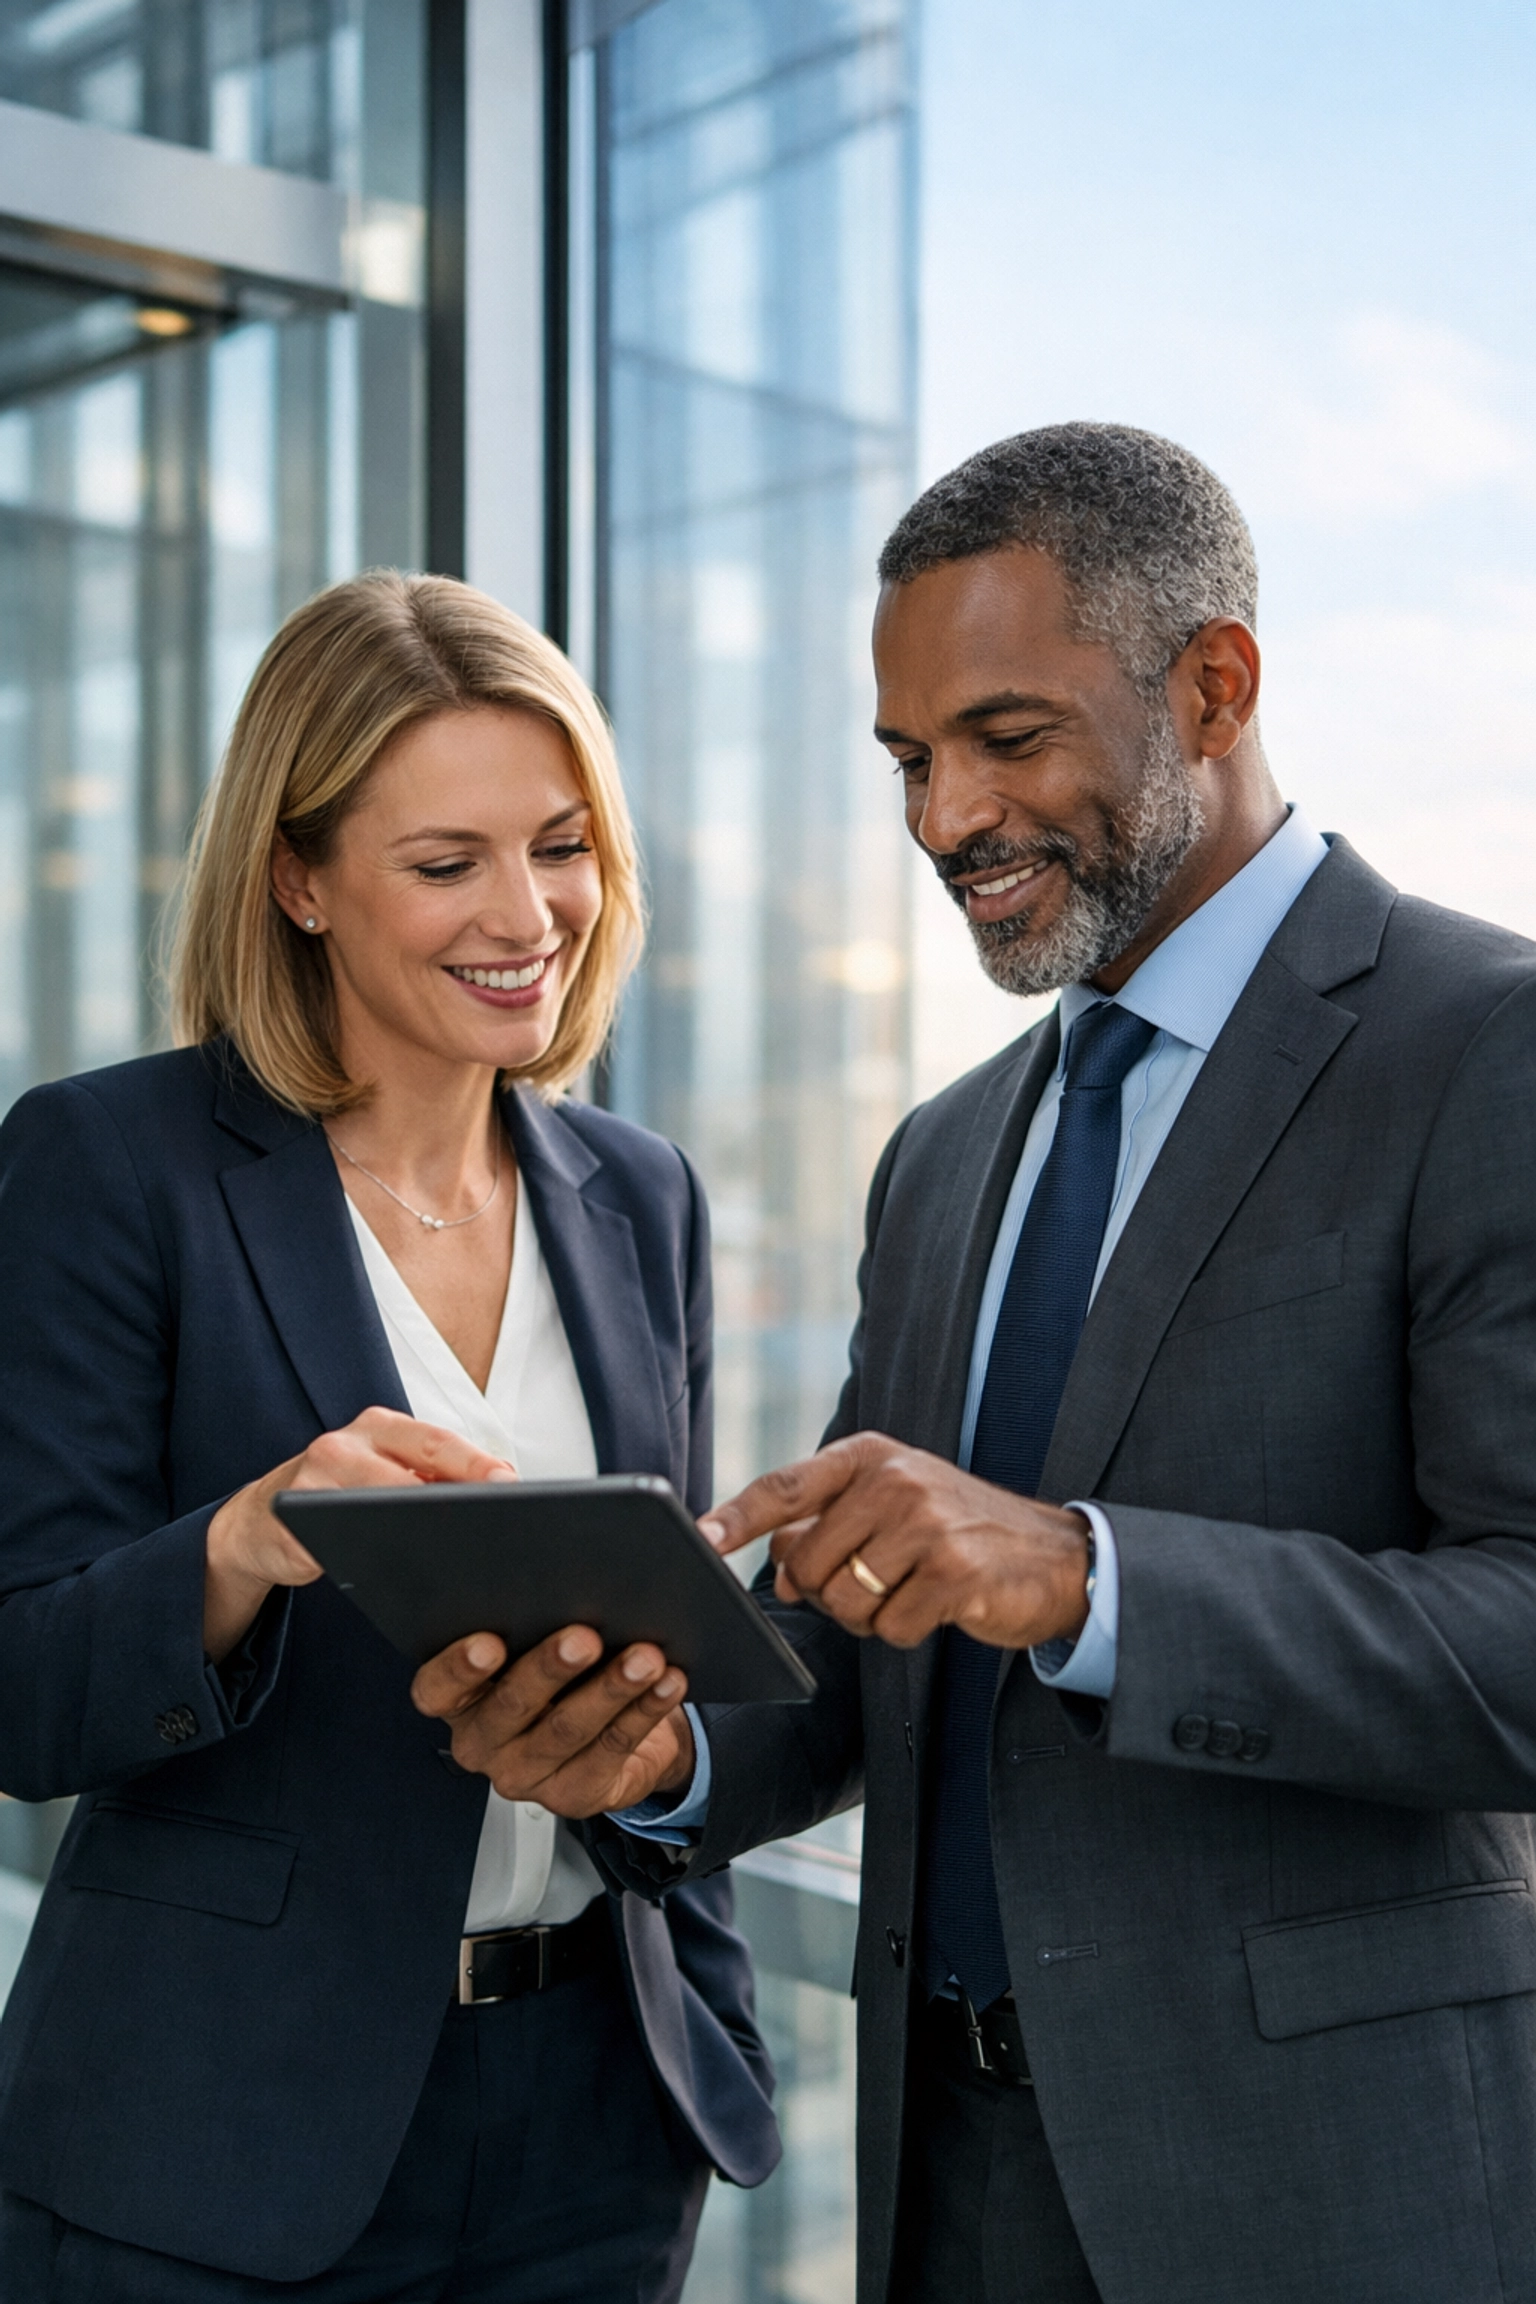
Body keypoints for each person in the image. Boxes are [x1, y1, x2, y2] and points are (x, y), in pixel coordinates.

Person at [445, 423, 1536, 2304]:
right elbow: (867, 1640)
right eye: (909, 763)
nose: (945, 819)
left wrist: (1086, 1576)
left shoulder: (1485, 1051)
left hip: (1328, 2200)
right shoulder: (947, 1150)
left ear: (1214, 685)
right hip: (949, 2187)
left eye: (1006, 740)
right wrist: (659, 1756)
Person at [0, 572, 778, 2301]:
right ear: (299, 879)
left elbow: (690, 1654)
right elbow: (22, 1685)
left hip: (601, 2119)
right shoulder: (109, 1169)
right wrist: (241, 1543)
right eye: (448, 864)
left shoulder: (638, 1195)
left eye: (562, 845)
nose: (529, 913)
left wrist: (701, 2002)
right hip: (218, 2142)